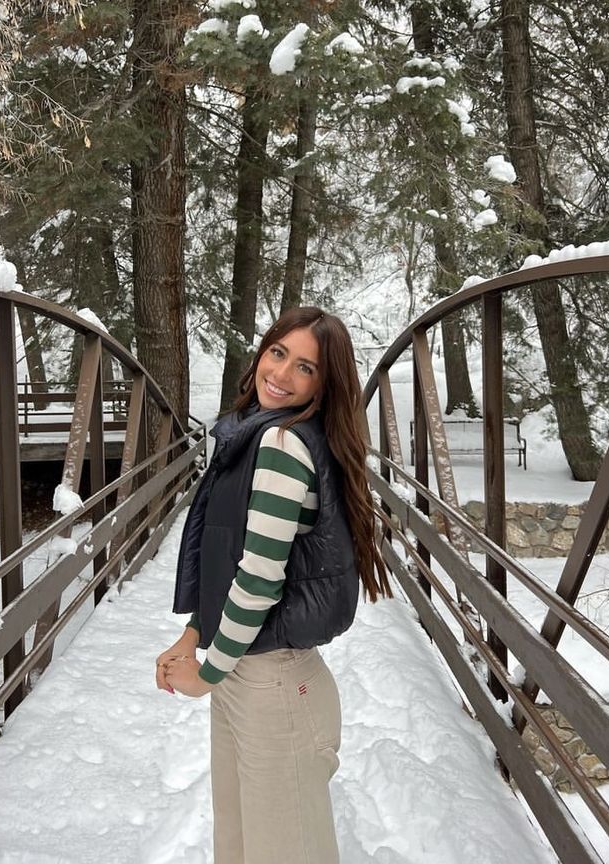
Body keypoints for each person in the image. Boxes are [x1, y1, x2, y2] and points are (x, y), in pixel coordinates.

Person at [155, 306, 391, 864]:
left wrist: (207, 672)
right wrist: (195, 634)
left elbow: (260, 578)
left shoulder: (281, 444)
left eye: (305, 368)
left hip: (274, 690)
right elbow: (235, 556)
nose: (281, 375)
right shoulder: (254, 435)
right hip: (248, 674)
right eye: (278, 353)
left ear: (324, 384)